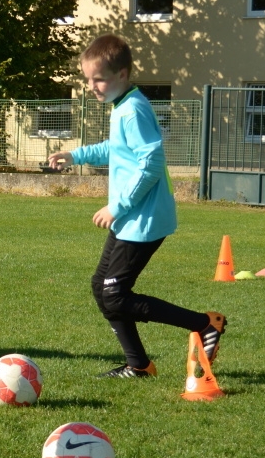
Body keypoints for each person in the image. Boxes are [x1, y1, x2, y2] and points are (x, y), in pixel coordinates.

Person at [48, 34, 226, 379]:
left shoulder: (133, 110)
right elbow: (116, 149)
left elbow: (151, 163)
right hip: (130, 219)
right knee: (103, 288)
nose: (92, 86)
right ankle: (139, 365)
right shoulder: (123, 106)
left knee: (114, 294)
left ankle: (205, 324)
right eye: (88, 79)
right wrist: (75, 155)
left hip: (143, 219)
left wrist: (117, 206)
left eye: (98, 78)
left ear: (123, 75)